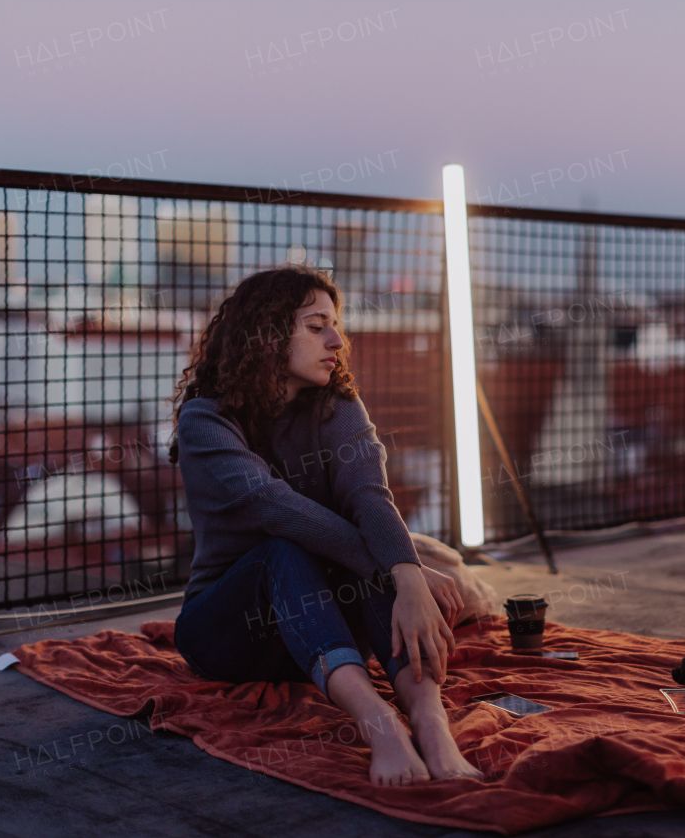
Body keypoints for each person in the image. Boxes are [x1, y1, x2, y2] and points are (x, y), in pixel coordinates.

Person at [168, 264, 483, 786]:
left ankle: (430, 723)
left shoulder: (336, 404)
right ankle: (380, 726)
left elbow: (370, 496)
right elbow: (278, 508)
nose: (337, 340)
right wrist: (401, 572)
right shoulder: (205, 420)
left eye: (335, 325)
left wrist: (406, 572)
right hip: (227, 634)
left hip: (323, 636)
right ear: (267, 336)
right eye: (317, 327)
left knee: (375, 555)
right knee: (284, 549)